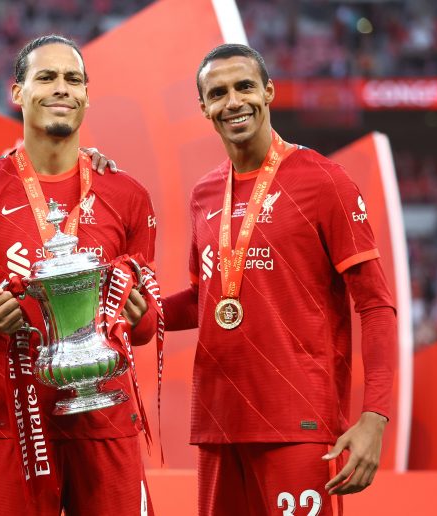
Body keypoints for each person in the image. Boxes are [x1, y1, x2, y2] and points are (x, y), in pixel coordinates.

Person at [162, 43, 396, 515]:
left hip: (298, 422)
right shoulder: (205, 193)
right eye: (218, 92)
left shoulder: (324, 180)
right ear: (204, 107)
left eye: (245, 86)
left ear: (268, 91)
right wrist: (130, 308)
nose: (234, 101)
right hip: (218, 423)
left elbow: (375, 304)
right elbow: (205, 299)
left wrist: (375, 414)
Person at [0, 34, 159, 515]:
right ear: (17, 92)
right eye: (47, 77)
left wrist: (140, 316)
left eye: (73, 79)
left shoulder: (127, 194)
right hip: (15, 424)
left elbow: (142, 329)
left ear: (86, 95)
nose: (62, 88)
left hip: (108, 421)